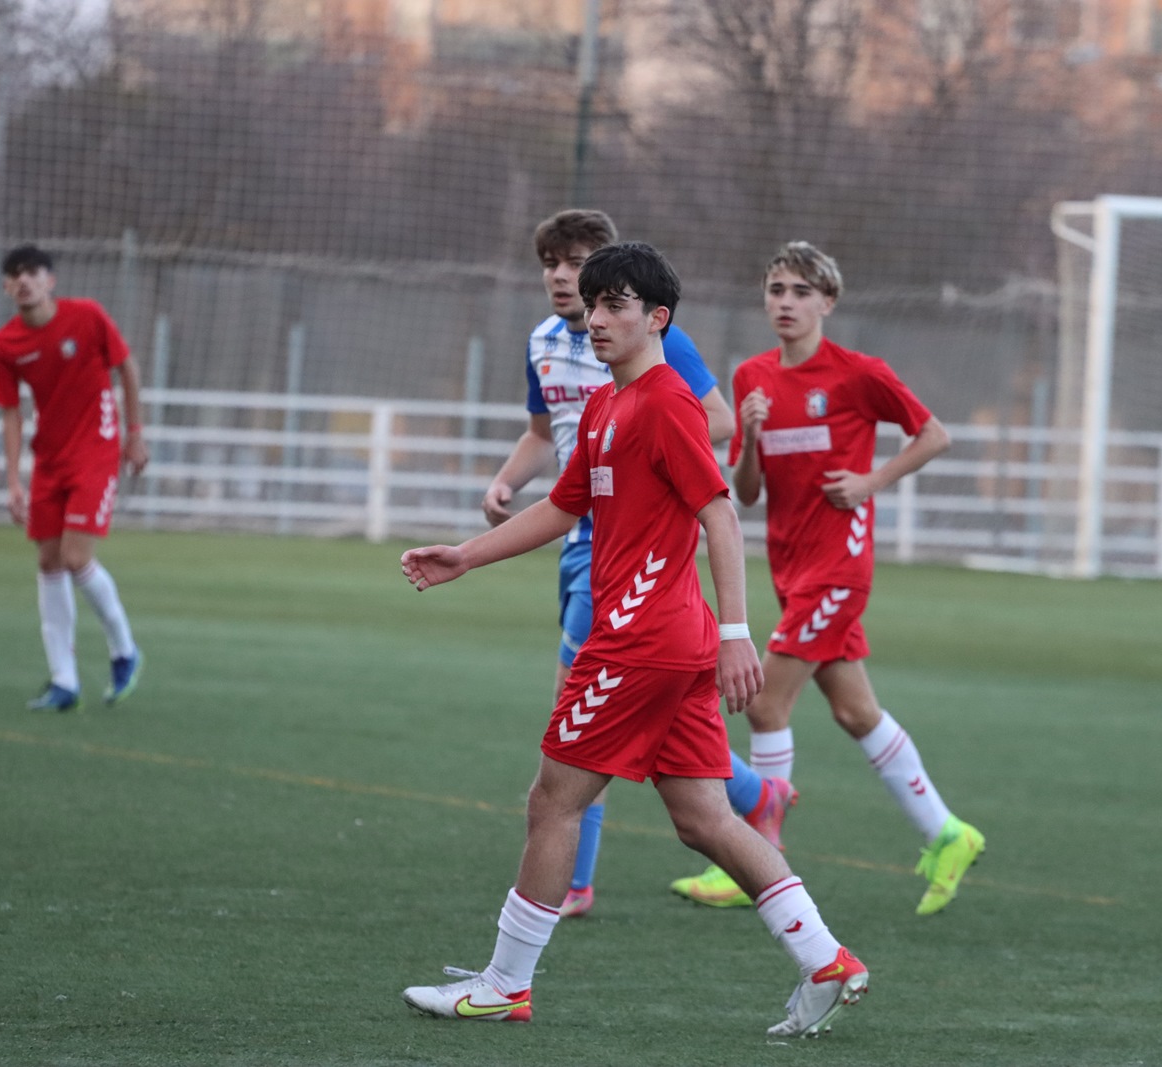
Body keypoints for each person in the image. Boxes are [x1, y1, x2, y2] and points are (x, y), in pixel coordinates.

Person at [400, 242, 868, 1037]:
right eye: (592, 303)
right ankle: (826, 958)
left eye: (615, 304)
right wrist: (467, 555)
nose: (596, 318)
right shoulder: (605, 407)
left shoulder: (666, 403)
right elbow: (563, 506)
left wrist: (737, 633)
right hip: (666, 645)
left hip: (639, 641)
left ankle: (505, 984)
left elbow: (720, 514)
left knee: (553, 800)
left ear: (657, 318)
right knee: (704, 818)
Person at [671, 241, 985, 916]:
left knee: (763, 703)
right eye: (776, 290)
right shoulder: (753, 377)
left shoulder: (857, 373)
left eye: (800, 291)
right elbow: (746, 493)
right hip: (791, 566)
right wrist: (750, 435)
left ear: (828, 302)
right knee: (854, 711)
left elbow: (933, 434)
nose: (785, 303)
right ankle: (948, 834)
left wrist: (871, 481)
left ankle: (755, 861)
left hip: (839, 568)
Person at [481, 209, 753, 919]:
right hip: (584, 546)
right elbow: (546, 437)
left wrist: (735, 630)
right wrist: (502, 490)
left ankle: (568, 888)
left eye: (576, 263)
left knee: (573, 727)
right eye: (552, 263)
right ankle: (763, 807)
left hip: (640, 571)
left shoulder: (655, 354)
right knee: (685, 794)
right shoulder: (551, 347)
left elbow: (715, 435)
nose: (561, 277)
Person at [0, 244, 147, 712]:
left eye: (32, 272)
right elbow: (11, 413)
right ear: (6, 287)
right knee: (48, 563)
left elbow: (127, 367)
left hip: (95, 451)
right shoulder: (4, 345)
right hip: (50, 459)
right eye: (15, 275)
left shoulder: (87, 316)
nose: (24, 281)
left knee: (76, 556)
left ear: (50, 280)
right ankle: (64, 682)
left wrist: (134, 434)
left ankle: (125, 651)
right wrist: (14, 481)